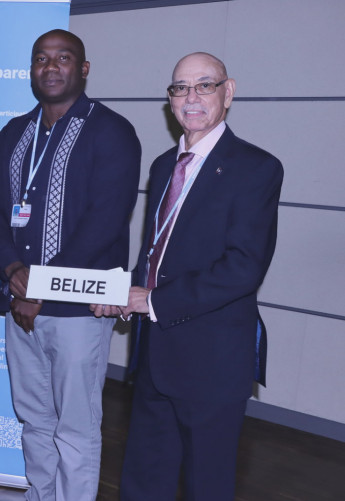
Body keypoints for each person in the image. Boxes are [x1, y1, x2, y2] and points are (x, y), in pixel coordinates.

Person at [104, 52, 282, 501]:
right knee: (145, 479)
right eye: (180, 87)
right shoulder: (164, 165)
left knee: (207, 485)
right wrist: (121, 289)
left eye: (205, 85)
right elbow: (157, 255)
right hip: (155, 355)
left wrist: (153, 301)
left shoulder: (256, 168)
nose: (191, 97)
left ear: (229, 91)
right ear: (170, 99)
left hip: (213, 361)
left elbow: (243, 267)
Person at [0, 29, 141, 501]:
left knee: (75, 427)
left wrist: (37, 290)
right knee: (33, 419)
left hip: (77, 311)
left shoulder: (112, 131)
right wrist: (12, 270)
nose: (50, 67)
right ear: (31, 69)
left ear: (84, 69)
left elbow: (105, 223)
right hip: (19, 304)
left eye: (63, 58)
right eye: (41, 59)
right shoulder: (14, 131)